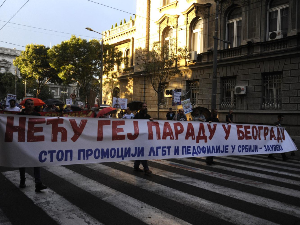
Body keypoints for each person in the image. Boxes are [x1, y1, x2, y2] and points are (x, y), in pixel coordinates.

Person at [18, 99, 48, 192]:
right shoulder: (19, 115)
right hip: (22, 141)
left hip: (34, 141)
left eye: (32, 104)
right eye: (28, 104)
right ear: (25, 105)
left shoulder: (37, 115)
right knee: (22, 161)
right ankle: (22, 180)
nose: (30, 105)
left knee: (36, 161)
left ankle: (38, 183)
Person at [133, 103, 153, 175]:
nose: (145, 107)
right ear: (141, 108)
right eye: (144, 106)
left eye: (146, 106)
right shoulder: (137, 116)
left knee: (139, 152)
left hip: (145, 137)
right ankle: (146, 168)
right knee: (142, 152)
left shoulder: (148, 116)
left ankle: (136, 166)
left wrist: (151, 121)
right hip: (138, 137)